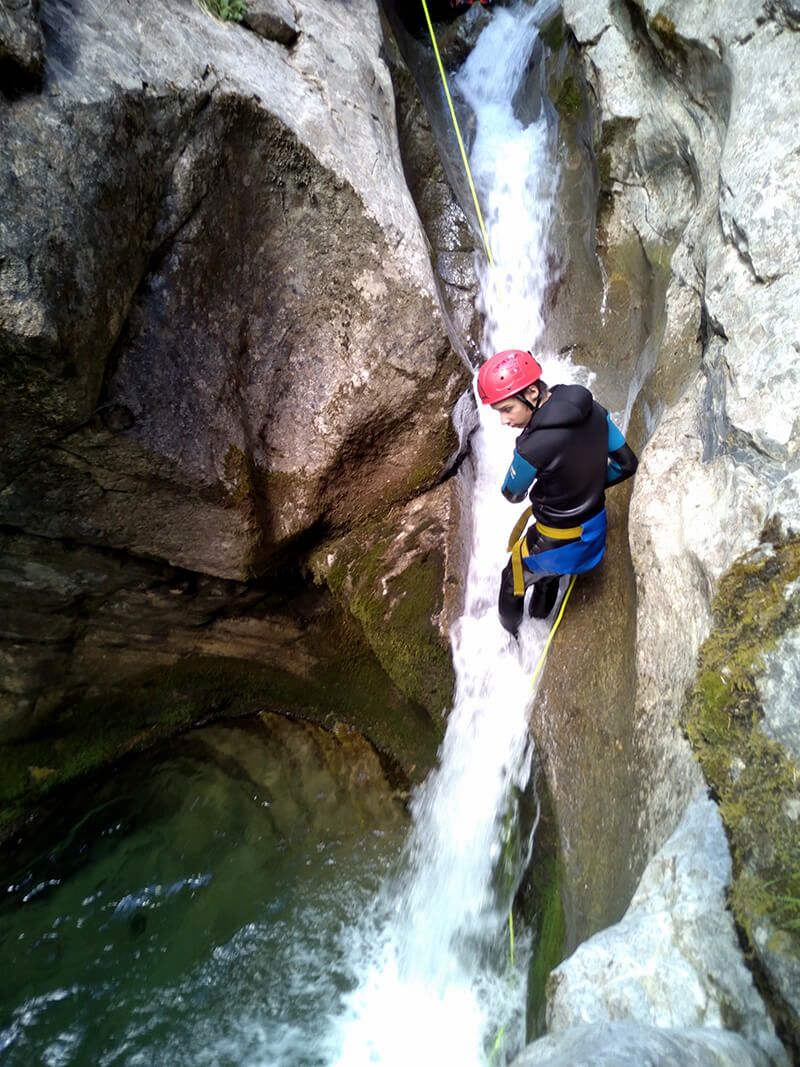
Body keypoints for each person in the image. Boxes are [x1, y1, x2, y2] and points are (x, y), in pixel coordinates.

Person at [477, 348, 638, 636]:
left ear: (531, 393)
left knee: (511, 577)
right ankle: (539, 624)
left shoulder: (532, 448)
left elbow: (512, 494)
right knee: (546, 576)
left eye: (506, 409)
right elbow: (627, 464)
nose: (503, 420)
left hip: (562, 541)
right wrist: (586, 484)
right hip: (595, 528)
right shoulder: (593, 408)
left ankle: (511, 639)